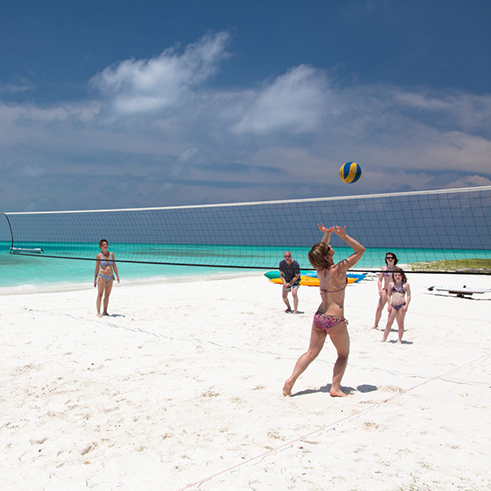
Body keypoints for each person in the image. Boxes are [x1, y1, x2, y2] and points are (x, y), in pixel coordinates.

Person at [283, 224, 365, 398]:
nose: (329, 247)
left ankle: (291, 379)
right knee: (343, 354)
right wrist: (342, 235)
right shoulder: (339, 269)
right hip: (334, 318)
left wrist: (327, 235)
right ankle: (335, 388)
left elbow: (320, 252)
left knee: (311, 352)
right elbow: (360, 251)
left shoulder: (320, 271)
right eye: (328, 249)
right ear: (328, 256)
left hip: (319, 317)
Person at [381, 268, 411, 344]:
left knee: (400, 323)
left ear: (402, 276)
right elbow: (388, 295)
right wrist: (389, 305)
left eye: (399, 275)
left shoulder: (405, 285)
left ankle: (399, 340)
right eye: (396, 275)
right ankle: (384, 338)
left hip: (402, 306)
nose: (397, 277)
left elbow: (408, 295)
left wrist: (406, 306)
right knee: (389, 323)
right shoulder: (391, 284)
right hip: (393, 306)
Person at [371, 252, 399, 329]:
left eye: (391, 258)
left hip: (394, 291)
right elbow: (380, 280)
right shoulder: (384, 269)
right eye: (388, 258)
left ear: (394, 259)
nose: (390, 259)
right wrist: (379, 289)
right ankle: (375, 324)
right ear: (386, 259)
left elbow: (402, 280)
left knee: (394, 310)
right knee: (379, 308)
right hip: (385, 290)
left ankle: (392, 325)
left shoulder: (397, 269)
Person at [94, 239, 120, 317]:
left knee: (107, 294)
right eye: (103, 244)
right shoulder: (99, 256)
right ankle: (98, 312)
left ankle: (105, 311)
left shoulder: (111, 254)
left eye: (106, 244)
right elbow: (96, 268)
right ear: (100, 246)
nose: (105, 245)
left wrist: (117, 276)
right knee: (100, 294)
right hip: (102, 276)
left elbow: (114, 266)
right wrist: (95, 279)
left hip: (110, 276)